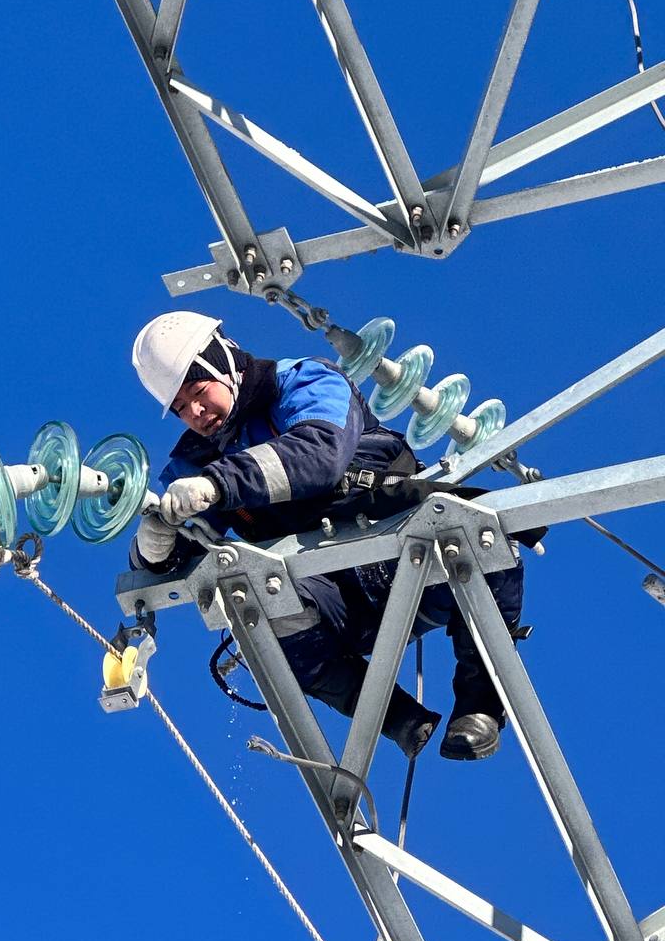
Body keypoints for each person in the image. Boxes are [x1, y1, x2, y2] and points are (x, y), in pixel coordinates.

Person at [129, 310, 525, 762]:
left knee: (482, 541)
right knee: (260, 607)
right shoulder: (195, 460)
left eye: (199, 393)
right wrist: (154, 545)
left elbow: (320, 454)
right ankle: (398, 719)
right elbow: (177, 554)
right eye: (181, 408)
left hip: (402, 554)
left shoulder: (303, 381)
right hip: (335, 602)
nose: (196, 414)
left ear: (225, 365)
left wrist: (217, 485)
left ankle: (479, 706)